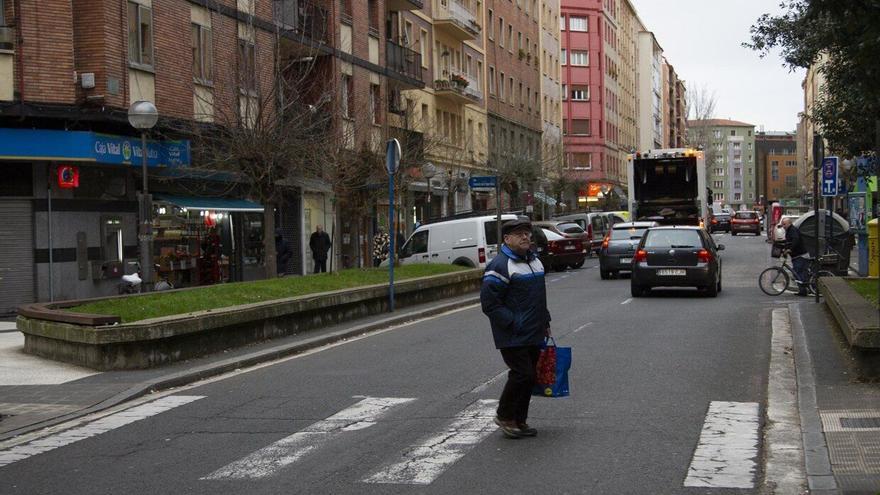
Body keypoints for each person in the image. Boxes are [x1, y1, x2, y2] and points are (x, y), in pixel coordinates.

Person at [480, 218, 551, 439]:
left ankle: (519, 420)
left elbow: (538, 298)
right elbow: (490, 303)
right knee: (522, 374)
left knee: (529, 377)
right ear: (507, 239)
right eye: (519, 234)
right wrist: (512, 322)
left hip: (534, 330)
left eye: (527, 233)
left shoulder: (535, 261)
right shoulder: (500, 265)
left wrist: (545, 322)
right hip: (513, 334)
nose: (525, 237)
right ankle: (504, 416)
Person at [781, 217, 809, 296]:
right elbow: (789, 241)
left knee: (797, 272)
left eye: (784, 224)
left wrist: (790, 249)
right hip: (797, 255)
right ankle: (802, 290)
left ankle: (803, 290)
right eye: (782, 224)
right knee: (798, 273)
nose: (783, 226)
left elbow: (795, 240)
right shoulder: (789, 230)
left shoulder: (792, 230)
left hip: (800, 255)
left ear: (789, 223)